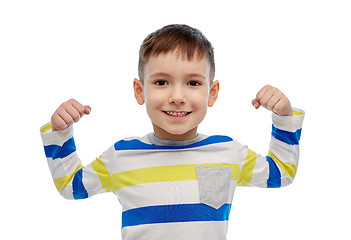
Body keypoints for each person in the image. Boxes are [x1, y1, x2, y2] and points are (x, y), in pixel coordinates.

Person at [40, 24, 305, 240]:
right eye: (161, 82)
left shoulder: (227, 152)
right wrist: (61, 133)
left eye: (192, 82)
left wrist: (283, 117)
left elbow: (281, 174)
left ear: (211, 93)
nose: (177, 96)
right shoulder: (121, 155)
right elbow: (71, 187)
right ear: (139, 90)